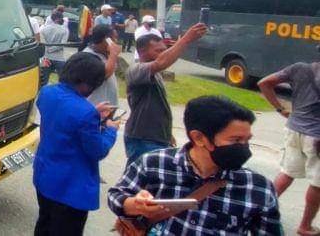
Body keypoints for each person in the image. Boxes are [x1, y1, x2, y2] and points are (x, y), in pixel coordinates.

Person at [108, 95, 281, 235]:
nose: (243, 147)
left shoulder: (259, 187)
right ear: (199, 138)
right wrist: (135, 205)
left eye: (247, 140)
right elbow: (116, 195)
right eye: (235, 140)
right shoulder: (154, 163)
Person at [33, 52, 121, 236]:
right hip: (69, 188)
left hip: (45, 175)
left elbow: (63, 117)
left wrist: (93, 112)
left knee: (45, 224)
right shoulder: (85, 112)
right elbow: (97, 151)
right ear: (87, 83)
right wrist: (111, 130)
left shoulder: (47, 92)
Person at [123, 23, 208, 165]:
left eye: (164, 50)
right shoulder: (137, 70)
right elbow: (161, 62)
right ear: (142, 51)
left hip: (157, 137)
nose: (163, 53)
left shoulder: (155, 73)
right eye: (158, 50)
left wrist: (167, 134)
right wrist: (186, 39)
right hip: (143, 138)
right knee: (139, 175)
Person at [257, 46, 320, 236]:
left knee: (287, 173)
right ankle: (305, 226)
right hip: (317, 135)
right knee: (318, 183)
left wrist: (280, 109)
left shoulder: (299, 68)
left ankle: (258, 213)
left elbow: (264, 83)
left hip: (293, 128)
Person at [82, 24, 121, 107]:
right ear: (106, 39)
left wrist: (111, 54)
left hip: (108, 105)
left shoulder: (105, 54)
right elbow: (105, 74)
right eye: (114, 38)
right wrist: (113, 53)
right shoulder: (88, 56)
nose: (116, 41)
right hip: (95, 106)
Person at [39, 15, 70, 86]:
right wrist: (52, 49)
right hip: (59, 58)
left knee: (43, 80)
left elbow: (42, 42)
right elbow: (62, 44)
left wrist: (48, 49)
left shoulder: (44, 29)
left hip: (46, 58)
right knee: (63, 80)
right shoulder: (65, 30)